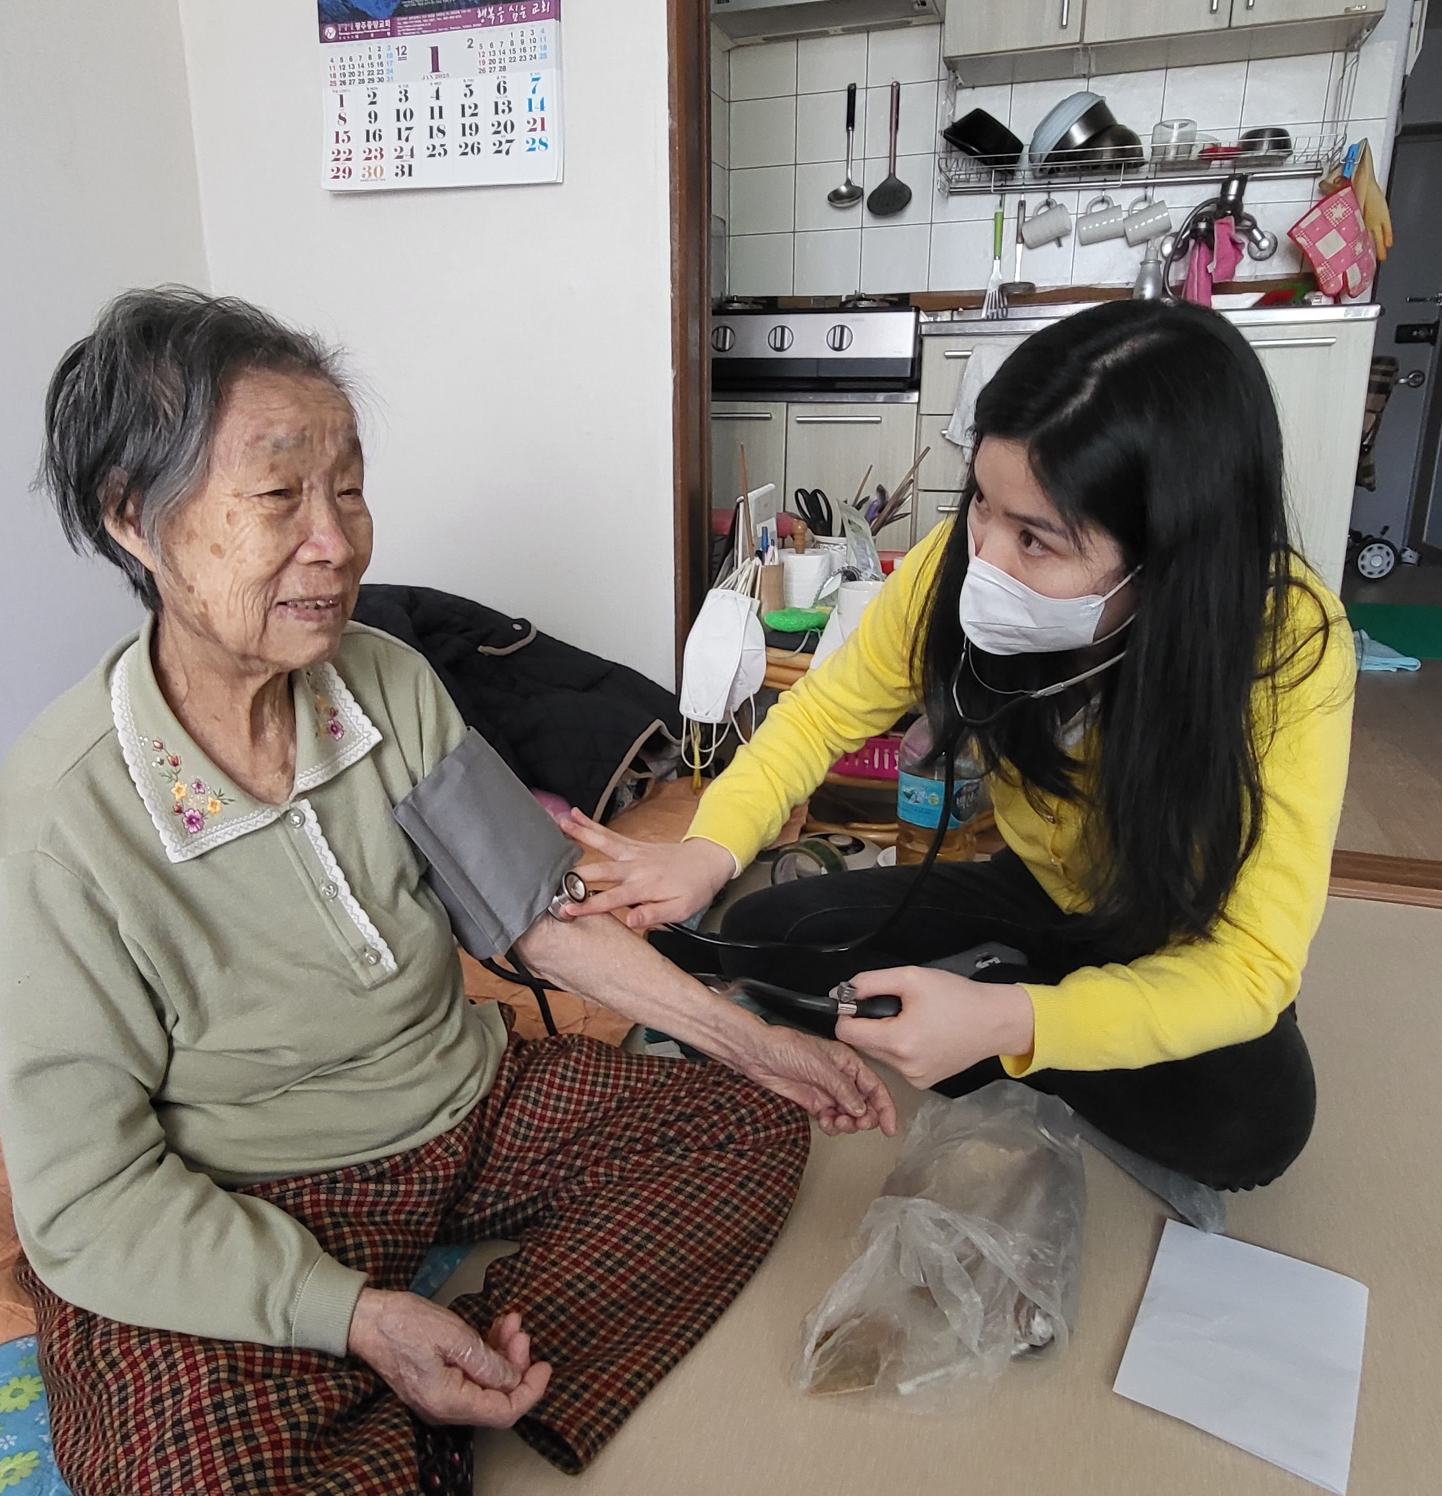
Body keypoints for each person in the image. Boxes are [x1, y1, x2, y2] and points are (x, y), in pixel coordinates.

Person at [0, 288, 895, 1496]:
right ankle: (395, 1372)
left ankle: (460, 1366)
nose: (335, 541)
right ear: (130, 518)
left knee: (745, 1121)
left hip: (463, 1103)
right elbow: (86, 1197)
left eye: (349, 488)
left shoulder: (388, 680)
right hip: (244, 1190)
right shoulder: (65, 814)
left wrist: (745, 1038)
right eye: (278, 495)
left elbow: (532, 908)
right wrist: (349, 1311)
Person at [562, 299, 1356, 1194]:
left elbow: (1250, 967)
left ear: (1170, 552)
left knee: (1256, 1127)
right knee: (757, 936)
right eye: (981, 501)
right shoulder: (952, 566)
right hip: (1036, 892)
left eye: (1036, 539)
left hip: (1172, 929)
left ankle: (1007, 1005)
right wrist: (709, 849)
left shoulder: (1286, 649)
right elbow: (821, 715)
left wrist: (1013, 1022)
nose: (984, 558)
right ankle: (1009, 996)